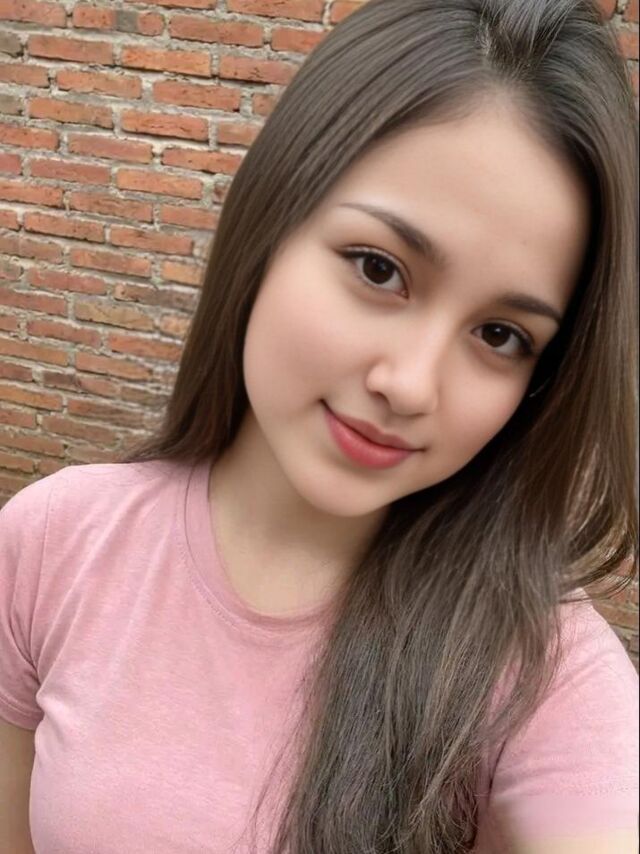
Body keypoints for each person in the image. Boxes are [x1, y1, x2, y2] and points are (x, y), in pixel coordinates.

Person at [1, 0, 638, 851]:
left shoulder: (545, 673)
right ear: (270, 223)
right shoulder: (55, 543)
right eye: (378, 268)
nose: (410, 385)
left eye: (499, 336)